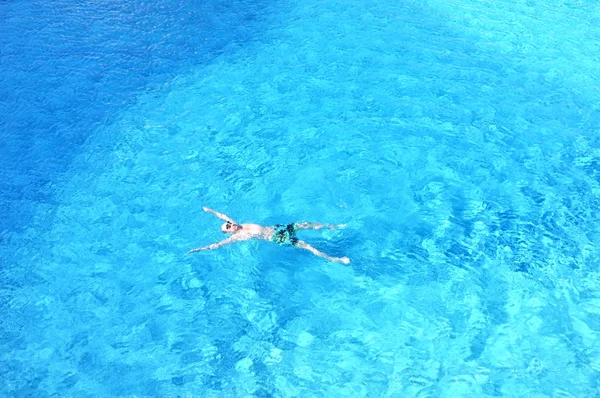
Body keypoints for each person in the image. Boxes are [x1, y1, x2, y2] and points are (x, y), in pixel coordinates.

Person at [187, 207, 350, 264]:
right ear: (230, 231)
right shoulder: (238, 235)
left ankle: (334, 226)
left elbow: (222, 216)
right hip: (278, 238)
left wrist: (210, 211)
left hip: (278, 228)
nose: (230, 224)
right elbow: (217, 245)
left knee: (304, 224)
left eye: (229, 223)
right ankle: (335, 259)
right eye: (228, 227)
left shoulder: (238, 223)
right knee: (307, 246)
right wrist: (199, 249)